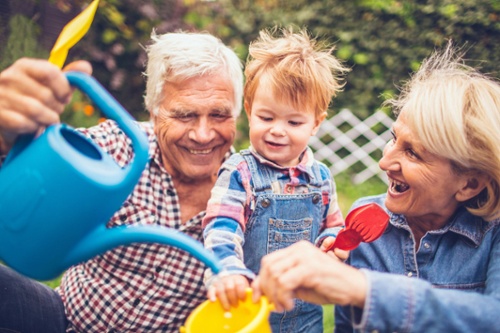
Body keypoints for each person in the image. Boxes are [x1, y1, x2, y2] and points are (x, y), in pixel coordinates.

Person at [0, 30, 243, 333]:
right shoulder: (119, 147)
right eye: (184, 115)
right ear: (154, 114)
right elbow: (22, 181)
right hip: (63, 320)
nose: (203, 134)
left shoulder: (248, 188)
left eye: (219, 115)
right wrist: (8, 139)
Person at [252, 41, 500, 332]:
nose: (384, 163)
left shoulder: (493, 235)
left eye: (413, 153)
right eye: (394, 138)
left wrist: (363, 288)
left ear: (469, 184)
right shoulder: (364, 223)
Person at [202, 28, 348, 333]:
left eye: (294, 122)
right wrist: (228, 271)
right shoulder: (239, 173)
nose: (278, 130)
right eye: (266, 118)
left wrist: (332, 243)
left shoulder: (320, 178)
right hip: (250, 309)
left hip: (306, 315)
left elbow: (332, 226)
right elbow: (221, 229)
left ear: (316, 124)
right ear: (249, 112)